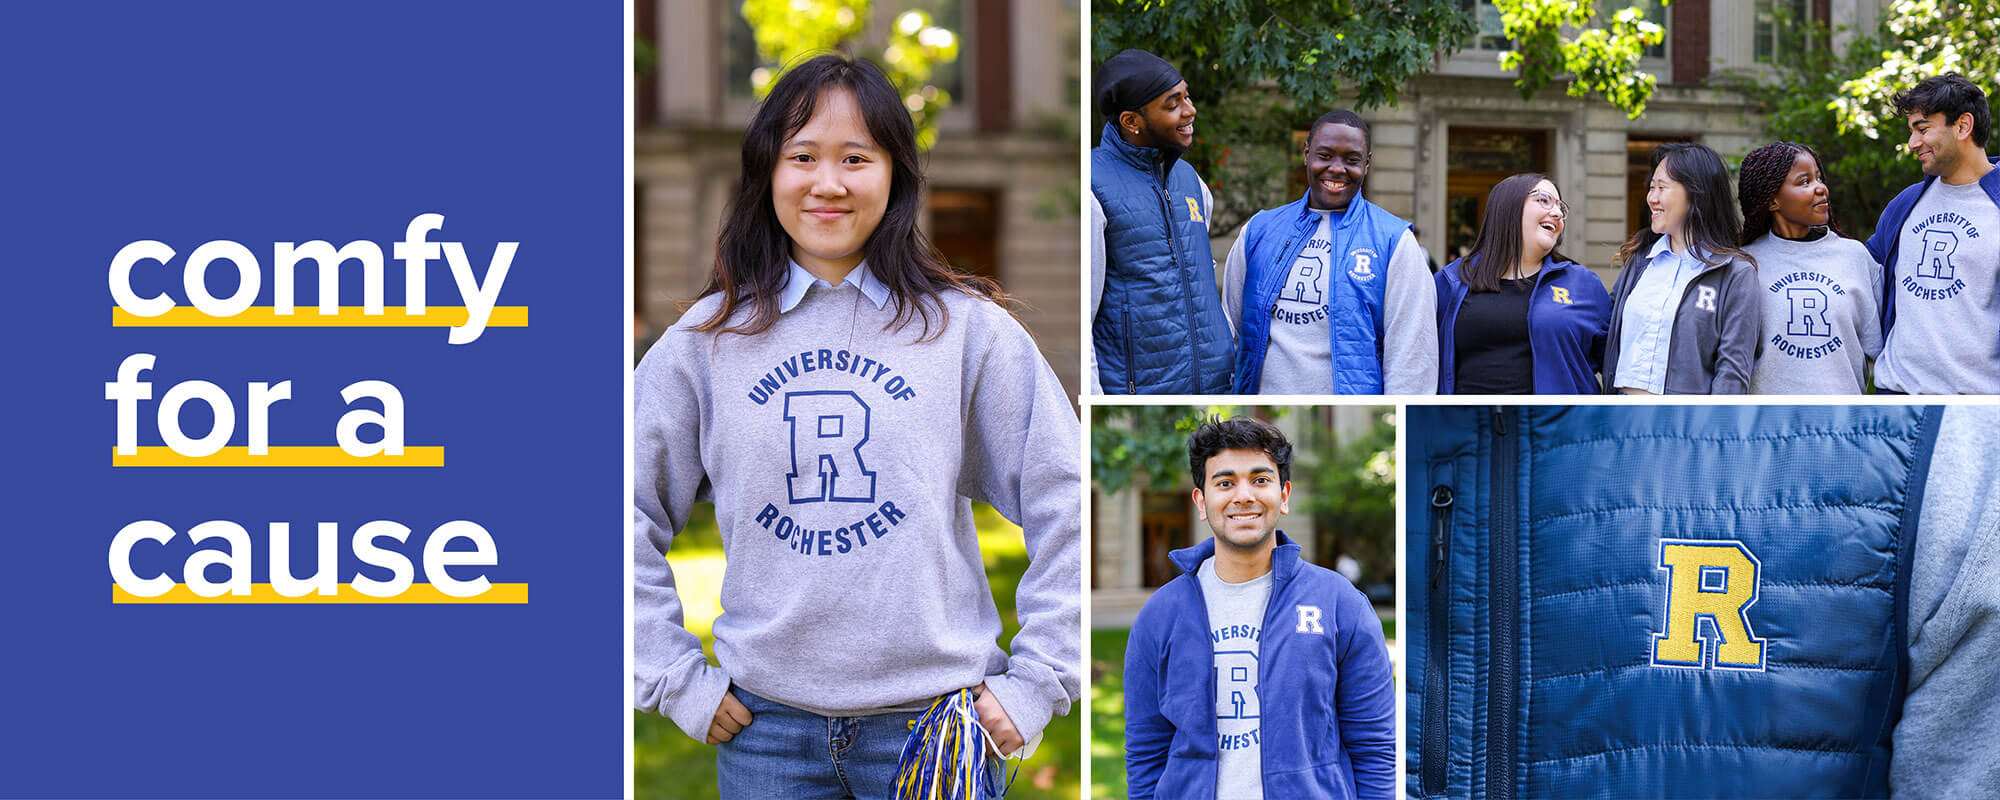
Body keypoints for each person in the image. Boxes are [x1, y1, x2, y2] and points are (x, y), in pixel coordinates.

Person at [632, 54, 1080, 798]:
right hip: (765, 734)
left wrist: (1039, 682)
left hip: (939, 726)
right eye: (801, 156)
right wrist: (673, 680)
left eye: (855, 158)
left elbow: (1065, 498)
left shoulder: (968, 332)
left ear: (895, 176)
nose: (828, 182)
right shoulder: (704, 344)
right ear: (767, 175)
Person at [1124, 417, 1394, 800]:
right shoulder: (1159, 615)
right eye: (1225, 482)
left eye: (1260, 479)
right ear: (1202, 501)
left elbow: (1375, 746)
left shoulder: (1339, 603)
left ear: (1284, 495)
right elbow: (1145, 754)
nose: (1244, 495)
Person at [1223, 110, 1438, 394]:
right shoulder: (1259, 230)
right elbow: (1230, 331)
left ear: (1368, 163)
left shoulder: (1394, 240)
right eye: (1325, 156)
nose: (1337, 169)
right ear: (1307, 154)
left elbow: (1413, 356)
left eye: (1352, 160)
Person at [1089, 48, 1232, 395]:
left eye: (1187, 97)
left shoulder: (1191, 182)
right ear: (1131, 121)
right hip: (1139, 391)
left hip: (1217, 388)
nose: (1190, 111)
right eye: (1172, 104)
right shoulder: (1092, 186)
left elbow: (1201, 280)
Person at [1866, 72, 2000, 394]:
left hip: (1979, 411)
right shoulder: (1905, 205)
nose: (1913, 144)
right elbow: (1861, 278)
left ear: (1963, 126)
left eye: (1922, 129)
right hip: (1896, 403)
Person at [1602, 142, 1761, 394]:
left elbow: (1732, 373)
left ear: (1697, 193)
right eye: (1651, 187)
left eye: (1662, 187)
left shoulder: (1735, 273)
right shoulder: (1641, 262)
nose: (1651, 198)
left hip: (1683, 425)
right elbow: (1604, 335)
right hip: (1622, 421)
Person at [1433, 173, 1611, 394]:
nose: (1556, 213)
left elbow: (1616, 370)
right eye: (1544, 200)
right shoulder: (1450, 282)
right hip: (1467, 425)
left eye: (1561, 208)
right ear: (1508, 207)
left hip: (1558, 426)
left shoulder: (1584, 285)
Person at [1736, 141, 1883, 394]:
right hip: (1769, 426)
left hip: (1842, 424)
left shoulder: (1855, 257)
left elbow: (1880, 352)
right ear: (1772, 201)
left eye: (1818, 178)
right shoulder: (1746, 264)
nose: (1821, 188)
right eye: (1805, 182)